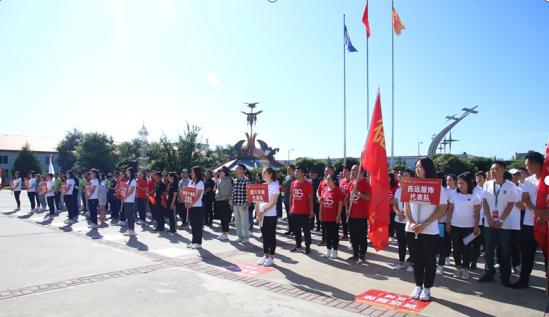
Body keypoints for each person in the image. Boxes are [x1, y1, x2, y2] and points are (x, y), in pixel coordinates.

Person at [405, 157, 448, 302]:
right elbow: (406, 206)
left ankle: (427, 288)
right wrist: (411, 222)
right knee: (416, 260)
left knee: (429, 261)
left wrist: (426, 223)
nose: (418, 170)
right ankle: (418, 286)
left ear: (428, 168)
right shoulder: (410, 184)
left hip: (429, 230)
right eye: (416, 167)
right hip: (412, 229)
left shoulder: (437, 187)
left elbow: (442, 208)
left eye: (421, 167)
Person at [478, 161, 519, 287]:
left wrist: (500, 220)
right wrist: (489, 219)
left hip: (504, 224)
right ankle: (489, 273)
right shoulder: (487, 185)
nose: (492, 171)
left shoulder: (510, 186)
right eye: (491, 169)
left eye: (495, 169)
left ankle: (505, 277)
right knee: (489, 250)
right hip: (489, 223)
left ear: (502, 170)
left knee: (504, 251)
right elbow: (484, 202)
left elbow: (511, 204)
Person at [514, 151, 546, 288]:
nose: (525, 168)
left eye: (527, 165)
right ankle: (524, 279)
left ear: (535, 164)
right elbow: (525, 200)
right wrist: (538, 213)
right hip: (529, 223)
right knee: (527, 253)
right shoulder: (528, 181)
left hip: (546, 224)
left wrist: (545, 216)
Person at [446, 172, 481, 280]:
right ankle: (458, 268)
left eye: (462, 183)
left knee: (466, 249)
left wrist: (476, 226)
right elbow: (450, 210)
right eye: (459, 183)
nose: (460, 185)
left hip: (469, 227)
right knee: (456, 248)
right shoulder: (454, 195)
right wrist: (448, 223)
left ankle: (465, 269)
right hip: (455, 226)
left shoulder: (474, 196)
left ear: (468, 184)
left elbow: (477, 213)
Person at [345, 164, 371, 264]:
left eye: (353, 170)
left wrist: (359, 193)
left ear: (360, 171)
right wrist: (347, 209)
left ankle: (362, 255)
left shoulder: (365, 183)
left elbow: (368, 197)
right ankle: (355, 254)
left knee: (361, 236)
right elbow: (346, 197)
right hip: (352, 215)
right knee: (353, 236)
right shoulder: (351, 183)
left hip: (361, 215)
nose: (351, 172)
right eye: (351, 170)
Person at [256, 167, 280, 267]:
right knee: (264, 236)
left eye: (265, 173)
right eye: (262, 173)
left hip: (270, 215)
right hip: (262, 215)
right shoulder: (262, 186)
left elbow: (273, 201)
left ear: (270, 174)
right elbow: (257, 200)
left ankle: (271, 257)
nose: (263, 175)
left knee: (271, 236)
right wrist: (258, 212)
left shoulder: (275, 185)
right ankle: (265, 255)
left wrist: (264, 211)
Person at [289, 166, 314, 254]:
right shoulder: (293, 183)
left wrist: (311, 210)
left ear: (303, 173)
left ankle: (308, 247)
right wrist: (290, 208)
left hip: (304, 212)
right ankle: (298, 246)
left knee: (306, 230)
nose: (296, 173)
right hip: (294, 211)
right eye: (295, 171)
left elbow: (310, 199)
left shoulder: (308, 184)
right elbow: (291, 196)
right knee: (296, 230)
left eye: (298, 171)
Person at [392, 169, 413, 270]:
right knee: (401, 243)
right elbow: (395, 203)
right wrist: (397, 212)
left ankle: (412, 263)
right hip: (399, 220)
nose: (403, 178)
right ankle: (401, 262)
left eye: (406, 175)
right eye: (403, 176)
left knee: (411, 244)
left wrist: (405, 214)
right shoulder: (398, 190)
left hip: (410, 221)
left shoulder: (414, 190)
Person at [319, 174, 344, 259]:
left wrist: (338, 215)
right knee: (327, 234)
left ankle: (335, 251)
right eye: (326, 179)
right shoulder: (324, 190)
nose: (327, 180)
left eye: (329, 179)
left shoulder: (338, 191)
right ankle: (328, 250)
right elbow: (322, 203)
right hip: (326, 217)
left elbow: (340, 204)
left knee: (334, 234)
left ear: (334, 181)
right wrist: (320, 214)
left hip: (334, 217)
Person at [470, 171, 487, 269]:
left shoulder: (488, 189)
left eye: (480, 177)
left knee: (480, 242)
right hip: (474, 219)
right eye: (477, 177)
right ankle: (472, 261)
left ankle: (476, 260)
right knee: (473, 242)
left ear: (484, 178)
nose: (478, 179)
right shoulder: (473, 189)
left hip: (485, 219)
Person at [316, 165, 336, 247]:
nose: (325, 172)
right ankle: (324, 240)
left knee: (331, 227)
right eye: (325, 171)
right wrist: (319, 198)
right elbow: (318, 191)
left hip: (331, 207)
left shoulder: (335, 181)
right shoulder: (322, 182)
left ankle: (332, 241)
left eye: (327, 170)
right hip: (322, 207)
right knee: (323, 225)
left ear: (332, 171)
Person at [186, 166, 205, 249]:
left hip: (197, 206)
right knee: (193, 225)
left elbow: (198, 195)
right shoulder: (191, 182)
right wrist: (187, 202)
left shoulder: (200, 182)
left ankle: (198, 242)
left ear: (196, 173)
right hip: (191, 206)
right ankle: (193, 241)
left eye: (192, 172)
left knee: (198, 225)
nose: (191, 173)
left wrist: (191, 203)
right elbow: (187, 193)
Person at [231, 164, 251, 243]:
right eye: (236, 168)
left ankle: (246, 237)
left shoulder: (246, 180)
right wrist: (231, 203)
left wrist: (246, 203)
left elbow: (248, 193)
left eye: (238, 168)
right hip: (236, 203)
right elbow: (233, 192)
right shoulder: (235, 180)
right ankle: (240, 236)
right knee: (237, 221)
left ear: (243, 170)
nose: (236, 170)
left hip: (243, 204)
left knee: (244, 221)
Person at [215, 167, 232, 241]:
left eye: (222, 172)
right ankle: (223, 232)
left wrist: (217, 195)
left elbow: (225, 192)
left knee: (225, 217)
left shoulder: (227, 180)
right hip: (220, 200)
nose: (220, 173)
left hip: (224, 201)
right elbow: (217, 190)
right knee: (222, 217)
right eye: (220, 172)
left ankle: (226, 233)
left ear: (225, 173)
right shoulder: (220, 180)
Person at [121, 168, 138, 236]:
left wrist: (126, 196)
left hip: (130, 201)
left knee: (130, 216)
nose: (126, 173)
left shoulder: (133, 181)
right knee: (128, 216)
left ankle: (132, 230)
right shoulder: (128, 180)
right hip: (127, 200)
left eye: (127, 171)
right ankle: (130, 229)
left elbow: (132, 190)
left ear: (130, 172)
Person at [338, 166, 352, 241]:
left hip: (350, 204)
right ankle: (345, 234)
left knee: (350, 221)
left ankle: (352, 235)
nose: (344, 172)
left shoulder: (352, 181)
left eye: (346, 171)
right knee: (343, 220)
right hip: (342, 204)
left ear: (350, 172)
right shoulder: (341, 181)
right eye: (343, 171)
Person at [283, 164, 296, 235]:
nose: (287, 170)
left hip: (293, 200)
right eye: (287, 169)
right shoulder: (286, 177)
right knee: (288, 215)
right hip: (286, 199)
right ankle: (290, 229)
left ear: (293, 170)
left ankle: (295, 230)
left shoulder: (295, 178)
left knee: (293, 216)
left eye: (289, 169)